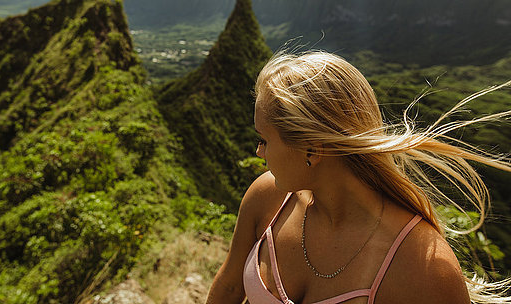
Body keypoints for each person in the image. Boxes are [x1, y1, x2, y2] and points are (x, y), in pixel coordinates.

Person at [206, 50, 511, 304]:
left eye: (264, 139)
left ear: (311, 148)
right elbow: (230, 287)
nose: (260, 152)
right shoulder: (266, 197)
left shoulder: (424, 267)